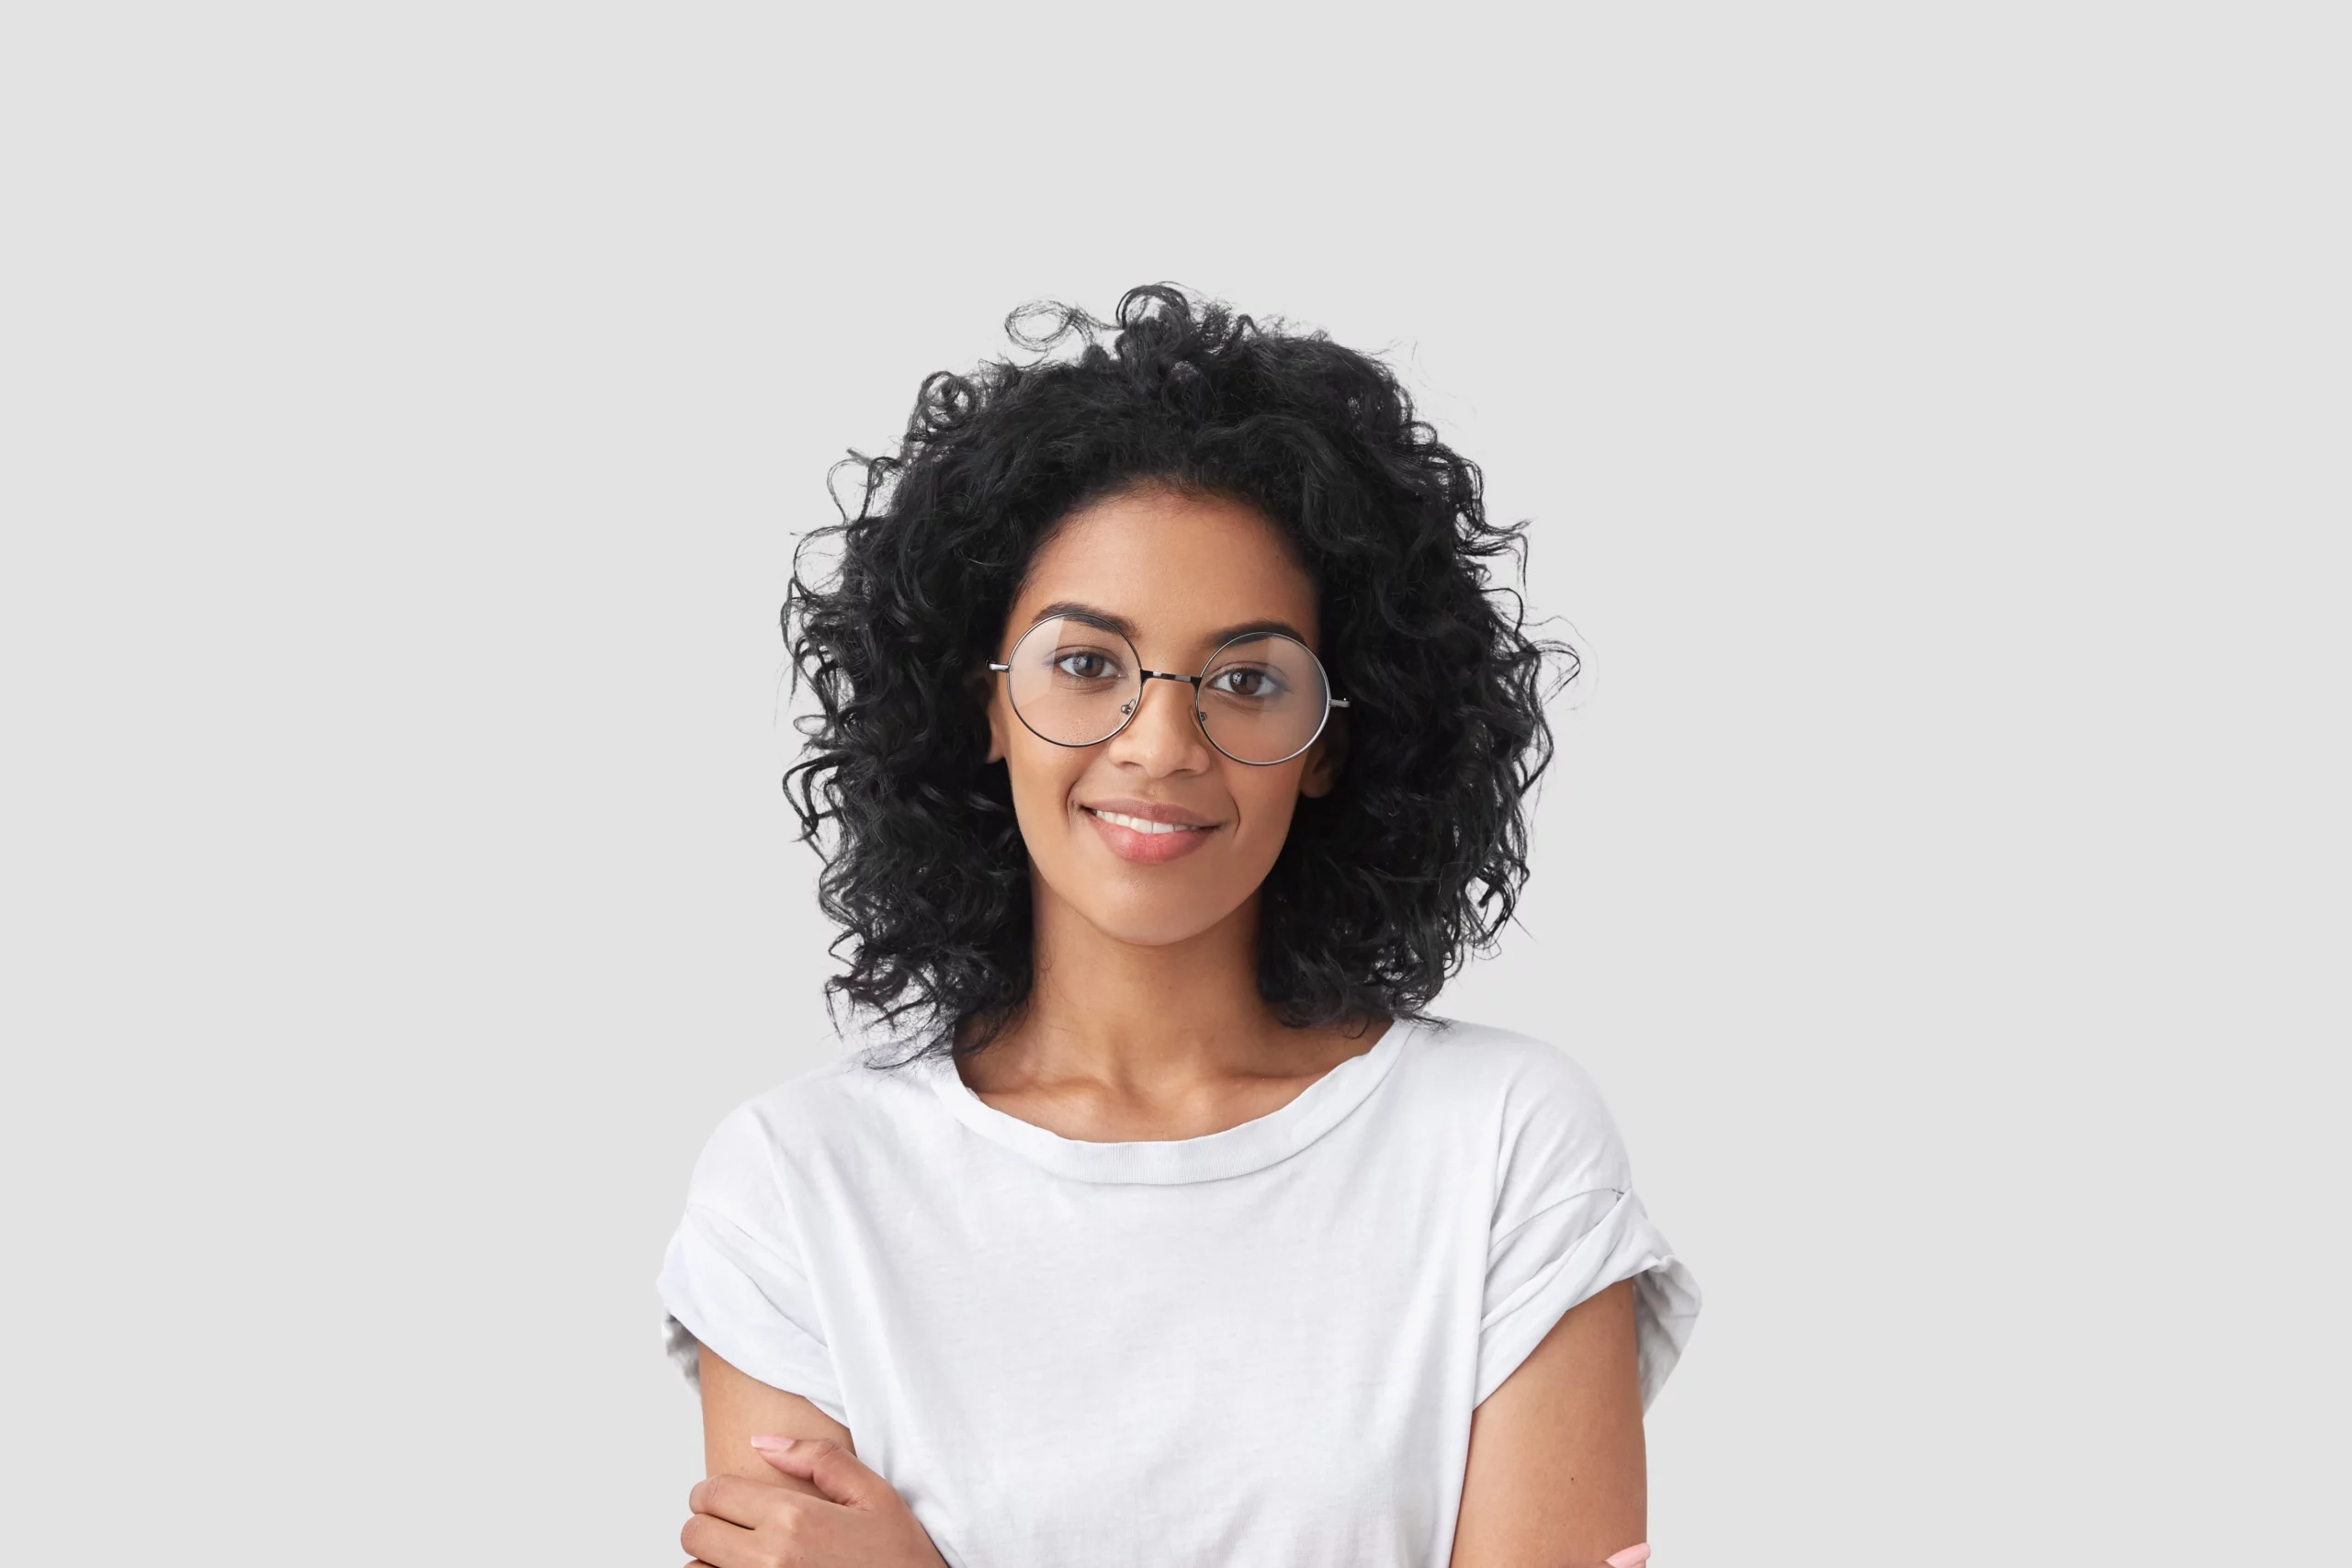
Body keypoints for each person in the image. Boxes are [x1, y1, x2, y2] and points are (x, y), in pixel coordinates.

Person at [656, 284, 1701, 1568]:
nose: (1160, 744)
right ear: (980, 704)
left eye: (1248, 680)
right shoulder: (798, 1186)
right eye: (1087, 663)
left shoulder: (1504, 1151)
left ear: (1330, 745)